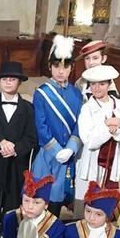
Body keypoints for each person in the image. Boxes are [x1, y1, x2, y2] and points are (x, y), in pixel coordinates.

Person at [0, 61, 37, 238]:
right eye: (5, 79)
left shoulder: (27, 108)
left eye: (12, 79)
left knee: (13, 205)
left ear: (19, 83)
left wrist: (16, 149)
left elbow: (31, 137)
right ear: (0, 82)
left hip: (16, 166)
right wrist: (1, 141)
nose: (8, 82)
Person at [73, 64, 120, 216]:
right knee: (85, 199)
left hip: (112, 161)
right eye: (93, 84)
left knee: (105, 200)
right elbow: (89, 140)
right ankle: (80, 230)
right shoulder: (87, 108)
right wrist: (108, 125)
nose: (97, 88)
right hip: (92, 161)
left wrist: (116, 131)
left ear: (109, 85)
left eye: (102, 84)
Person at [31, 34, 82, 218]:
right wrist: (56, 151)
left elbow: (79, 125)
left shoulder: (77, 94)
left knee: (59, 197)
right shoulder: (42, 93)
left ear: (71, 68)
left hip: (67, 155)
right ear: (50, 67)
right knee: (41, 196)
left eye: (66, 66)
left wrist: (71, 148)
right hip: (48, 152)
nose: (61, 71)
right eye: (56, 66)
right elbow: (41, 125)